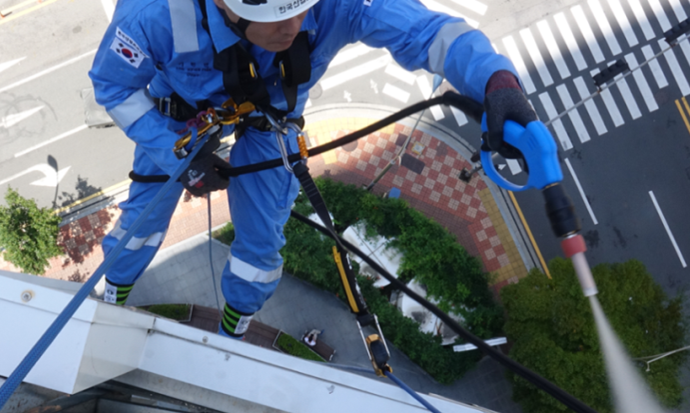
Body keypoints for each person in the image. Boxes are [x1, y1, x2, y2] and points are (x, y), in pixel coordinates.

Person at [89, 0, 541, 339]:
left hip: (272, 119)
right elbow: (113, 85)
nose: (294, 27)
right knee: (141, 224)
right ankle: (113, 295)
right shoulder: (155, 13)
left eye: (301, 8)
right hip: (178, 122)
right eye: (277, 16)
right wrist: (176, 156)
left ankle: (233, 334)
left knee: (261, 247)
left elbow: (429, 32)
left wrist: (495, 81)